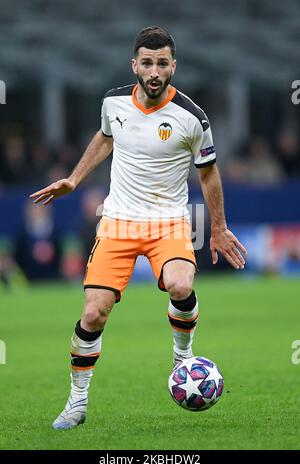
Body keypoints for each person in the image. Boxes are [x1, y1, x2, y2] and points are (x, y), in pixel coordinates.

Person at [30, 26, 247, 430]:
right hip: (119, 222)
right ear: (135, 65)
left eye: (162, 63)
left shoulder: (192, 117)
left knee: (181, 286)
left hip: (169, 222)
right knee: (94, 313)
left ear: (173, 67)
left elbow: (209, 175)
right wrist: (75, 179)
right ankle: (77, 403)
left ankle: (183, 358)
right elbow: (105, 137)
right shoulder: (113, 102)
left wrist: (217, 227)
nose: (154, 70)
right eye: (146, 62)